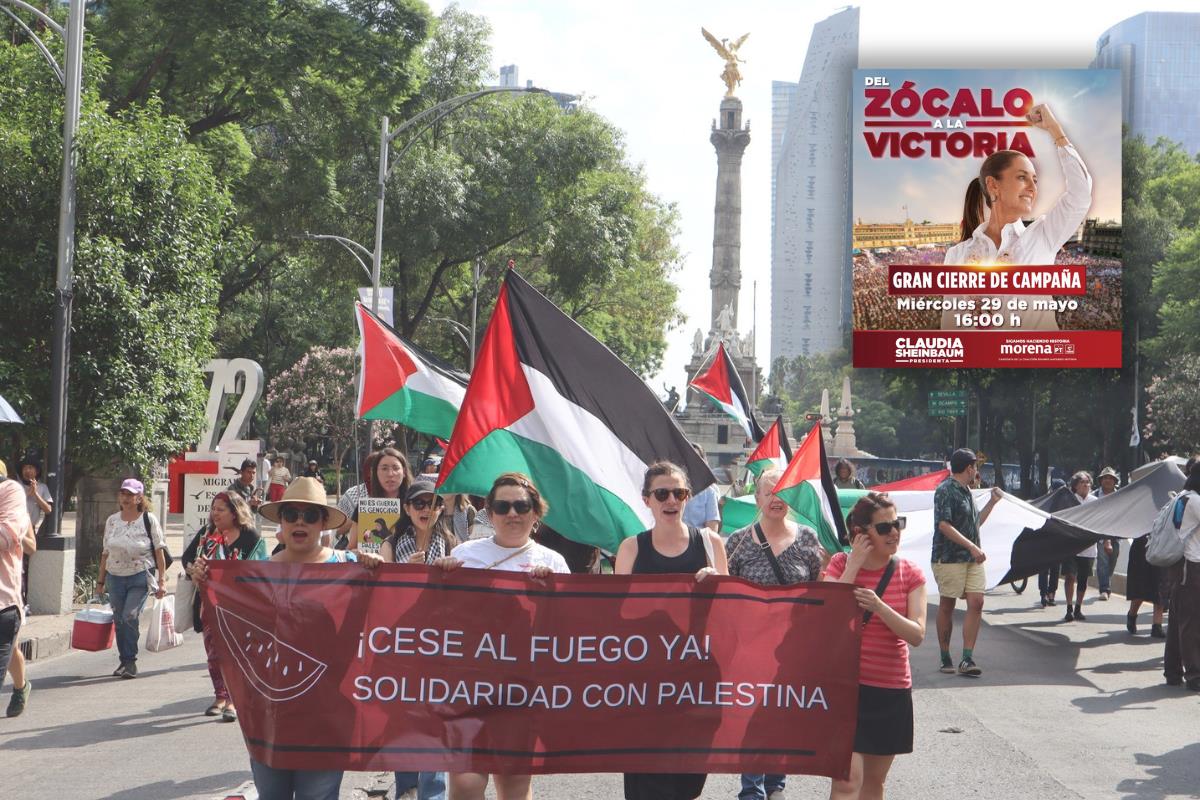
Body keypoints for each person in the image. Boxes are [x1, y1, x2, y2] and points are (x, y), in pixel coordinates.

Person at [225, 477, 382, 799]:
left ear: (323, 523)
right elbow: (233, 628)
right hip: (269, 714)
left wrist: (380, 571)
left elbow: (387, 614)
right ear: (280, 522)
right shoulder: (256, 574)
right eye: (291, 514)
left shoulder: (350, 566)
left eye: (310, 515)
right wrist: (206, 583)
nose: (300, 521)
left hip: (328, 714)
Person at [434, 473, 569, 800]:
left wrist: (551, 593)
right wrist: (439, 579)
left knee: (513, 787)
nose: (512, 513)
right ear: (490, 513)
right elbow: (434, 618)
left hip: (523, 691)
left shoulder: (553, 563)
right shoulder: (465, 554)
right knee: (465, 785)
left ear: (535, 512)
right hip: (469, 687)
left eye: (521, 505)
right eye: (503, 506)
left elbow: (568, 633)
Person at [614, 461, 728, 800]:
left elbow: (733, 613)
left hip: (699, 677)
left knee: (688, 783)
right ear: (646, 499)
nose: (670, 500)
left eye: (678, 493)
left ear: (688, 497)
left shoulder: (710, 543)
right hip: (645, 679)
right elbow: (614, 614)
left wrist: (719, 585)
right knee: (646, 779)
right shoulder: (632, 548)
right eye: (661, 493)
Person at [941, 102, 1092, 331]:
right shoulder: (957, 255)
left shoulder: (1043, 236)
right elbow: (950, 327)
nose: (1033, 186)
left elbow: (1081, 194)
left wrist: (1055, 130)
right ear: (993, 186)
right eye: (1022, 177)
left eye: (1035, 180)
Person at [725, 468, 823, 800]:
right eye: (769, 492)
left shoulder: (808, 538)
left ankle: (776, 784)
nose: (775, 499)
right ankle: (750, 789)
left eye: (781, 493)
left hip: (792, 650)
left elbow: (820, 591)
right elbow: (722, 593)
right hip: (748, 649)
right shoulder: (737, 541)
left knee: (782, 713)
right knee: (751, 717)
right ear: (757, 498)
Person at [825, 493, 926, 800]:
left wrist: (881, 608)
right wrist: (853, 566)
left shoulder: (909, 572)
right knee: (846, 782)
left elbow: (917, 634)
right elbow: (825, 612)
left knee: (873, 783)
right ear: (861, 533)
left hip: (890, 689)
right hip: (846, 688)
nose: (894, 533)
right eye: (884, 528)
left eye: (898, 524)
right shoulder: (840, 563)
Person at [380, 480, 456, 800]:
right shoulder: (392, 543)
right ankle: (407, 788)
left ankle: (434, 793)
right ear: (408, 508)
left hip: (440, 648)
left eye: (433, 504)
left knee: (435, 720)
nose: (427, 509)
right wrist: (400, 573)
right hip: (402, 646)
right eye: (420, 504)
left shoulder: (453, 543)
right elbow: (378, 589)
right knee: (403, 719)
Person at [181, 491, 268, 721]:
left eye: (221, 509)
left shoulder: (251, 537)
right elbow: (187, 558)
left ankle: (233, 700)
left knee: (235, 653)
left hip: (239, 609)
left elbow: (260, 570)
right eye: (213, 509)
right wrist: (194, 571)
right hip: (209, 606)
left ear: (234, 512)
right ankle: (220, 696)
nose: (215, 513)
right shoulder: (206, 534)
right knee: (214, 652)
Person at [931, 449, 1001, 677]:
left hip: (972, 559)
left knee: (977, 602)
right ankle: (945, 656)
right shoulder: (945, 490)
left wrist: (992, 503)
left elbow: (974, 524)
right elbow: (944, 525)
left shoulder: (968, 492)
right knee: (947, 605)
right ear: (969, 468)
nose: (977, 472)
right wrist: (970, 546)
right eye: (975, 467)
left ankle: (967, 658)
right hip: (949, 558)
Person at [97, 478, 168, 679]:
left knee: (130, 616)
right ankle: (124, 660)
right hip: (115, 577)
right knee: (119, 619)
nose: (126, 498)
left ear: (139, 498)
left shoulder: (148, 519)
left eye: (130, 495)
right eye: (123, 494)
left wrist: (162, 580)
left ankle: (131, 660)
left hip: (140, 575)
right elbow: (105, 552)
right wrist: (100, 582)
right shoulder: (112, 521)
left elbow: (159, 550)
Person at [1163, 466, 1200, 690]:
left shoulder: (1181, 498)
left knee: (1179, 620)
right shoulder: (1195, 501)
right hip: (1192, 565)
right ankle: (1194, 675)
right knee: (1191, 623)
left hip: (1180, 566)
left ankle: (1173, 671)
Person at [1, 480, 35, 717]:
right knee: (12, 647)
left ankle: (20, 687)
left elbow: (31, 546)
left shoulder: (14, 500)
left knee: (9, 645)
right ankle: (22, 685)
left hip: (7, 593)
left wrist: (20, 533)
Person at [348, 447, 411, 554]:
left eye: (396, 468)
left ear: (404, 472)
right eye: (384, 468)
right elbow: (351, 548)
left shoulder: (416, 505)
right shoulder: (365, 508)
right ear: (375, 473)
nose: (390, 474)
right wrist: (359, 554)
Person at [1060, 471, 1098, 622]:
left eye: (1088, 482)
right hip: (1070, 546)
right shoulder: (1067, 500)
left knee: (1083, 579)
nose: (1086, 484)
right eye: (1082, 482)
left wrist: (1106, 541)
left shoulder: (1095, 501)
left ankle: (1078, 608)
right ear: (1075, 485)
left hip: (1088, 548)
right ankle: (1069, 607)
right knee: (1070, 576)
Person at [1092, 467, 1120, 600]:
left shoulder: (1121, 495)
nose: (1108, 480)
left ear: (1115, 481)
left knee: (1112, 561)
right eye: (1105, 478)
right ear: (1101, 480)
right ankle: (1104, 589)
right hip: (1100, 532)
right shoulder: (1094, 496)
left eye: (1110, 478)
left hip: (1116, 533)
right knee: (1102, 561)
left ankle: (1106, 584)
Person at [681, 444, 720, 533]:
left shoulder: (709, 492)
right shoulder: (671, 488)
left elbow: (712, 527)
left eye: (696, 459)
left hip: (698, 542)